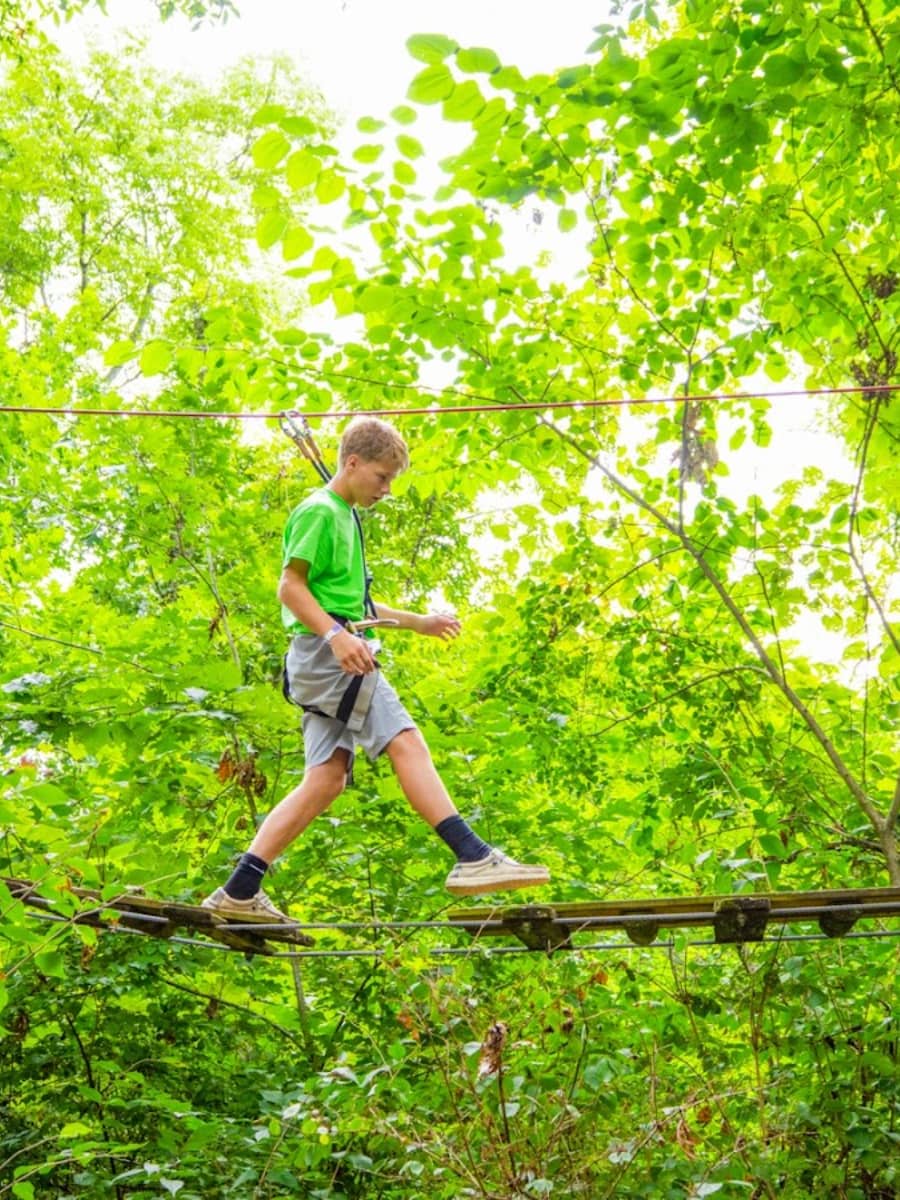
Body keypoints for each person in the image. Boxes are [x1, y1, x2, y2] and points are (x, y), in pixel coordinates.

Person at [203, 416, 550, 921]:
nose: (387, 490)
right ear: (353, 463)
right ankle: (471, 856)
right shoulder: (321, 512)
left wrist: (418, 622)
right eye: (382, 477)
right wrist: (335, 636)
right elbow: (290, 588)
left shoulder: (344, 515)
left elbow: (351, 602)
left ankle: (239, 889)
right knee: (406, 741)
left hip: (329, 653)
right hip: (330, 658)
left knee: (325, 780)